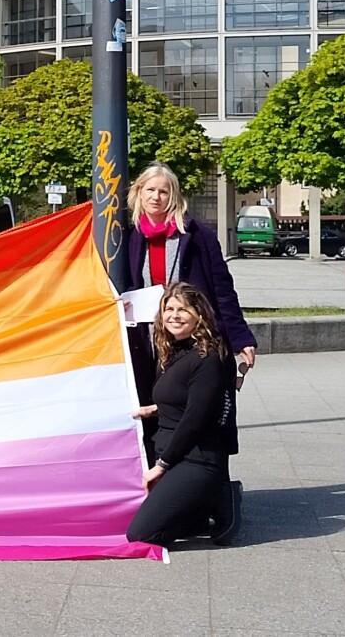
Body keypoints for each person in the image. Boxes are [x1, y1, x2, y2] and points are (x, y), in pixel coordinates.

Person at [125, 163, 256, 469]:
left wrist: (240, 338)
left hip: (195, 340)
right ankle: (160, 474)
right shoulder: (129, 237)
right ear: (139, 193)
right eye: (150, 190)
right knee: (154, 408)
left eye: (163, 191)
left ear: (174, 196)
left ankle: (210, 480)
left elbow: (223, 291)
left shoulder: (198, 236)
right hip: (149, 340)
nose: (156, 197)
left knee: (199, 409)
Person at [126, 282, 242, 547]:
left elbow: (196, 418)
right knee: (183, 524)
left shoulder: (208, 358)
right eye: (169, 309)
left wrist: (160, 466)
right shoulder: (171, 350)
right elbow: (184, 397)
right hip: (171, 452)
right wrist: (155, 409)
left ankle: (220, 496)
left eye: (183, 310)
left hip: (196, 458)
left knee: (141, 535)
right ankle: (199, 508)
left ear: (199, 315)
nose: (174, 316)